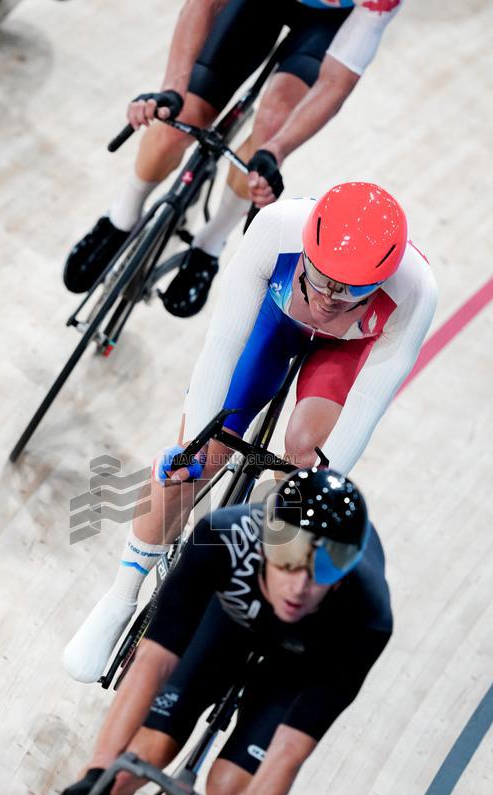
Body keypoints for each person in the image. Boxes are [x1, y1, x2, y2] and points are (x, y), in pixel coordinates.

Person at [0, 468, 393, 795]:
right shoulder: (222, 537)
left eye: (326, 567)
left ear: (348, 565)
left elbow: (288, 751)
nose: (302, 584)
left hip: (297, 670)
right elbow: (152, 662)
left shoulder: (366, 615)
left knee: (228, 792)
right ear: (264, 541)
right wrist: (98, 772)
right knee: (131, 768)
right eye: (288, 559)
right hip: (225, 629)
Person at [64, 181, 437, 683]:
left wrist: (310, 497)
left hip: (343, 353)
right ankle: (120, 595)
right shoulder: (277, 228)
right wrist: (193, 448)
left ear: (380, 281)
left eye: (349, 291)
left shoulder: (415, 292)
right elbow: (223, 344)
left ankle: (249, 577)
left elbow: (367, 405)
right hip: (273, 321)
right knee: (195, 459)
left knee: (306, 459)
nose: (329, 299)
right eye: (323, 278)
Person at [63, 0, 406, 317]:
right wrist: (173, 89)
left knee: (271, 129)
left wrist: (277, 149)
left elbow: (336, 82)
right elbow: (202, 5)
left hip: (325, 28)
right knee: (180, 118)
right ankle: (122, 215)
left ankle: (209, 246)